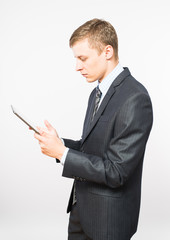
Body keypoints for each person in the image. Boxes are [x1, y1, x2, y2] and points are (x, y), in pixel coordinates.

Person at [34, 19, 153, 240]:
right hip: (81, 210)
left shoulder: (135, 98)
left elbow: (117, 171)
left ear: (107, 51)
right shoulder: (96, 92)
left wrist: (62, 153)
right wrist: (59, 142)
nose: (77, 67)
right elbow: (94, 148)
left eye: (83, 58)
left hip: (108, 221)